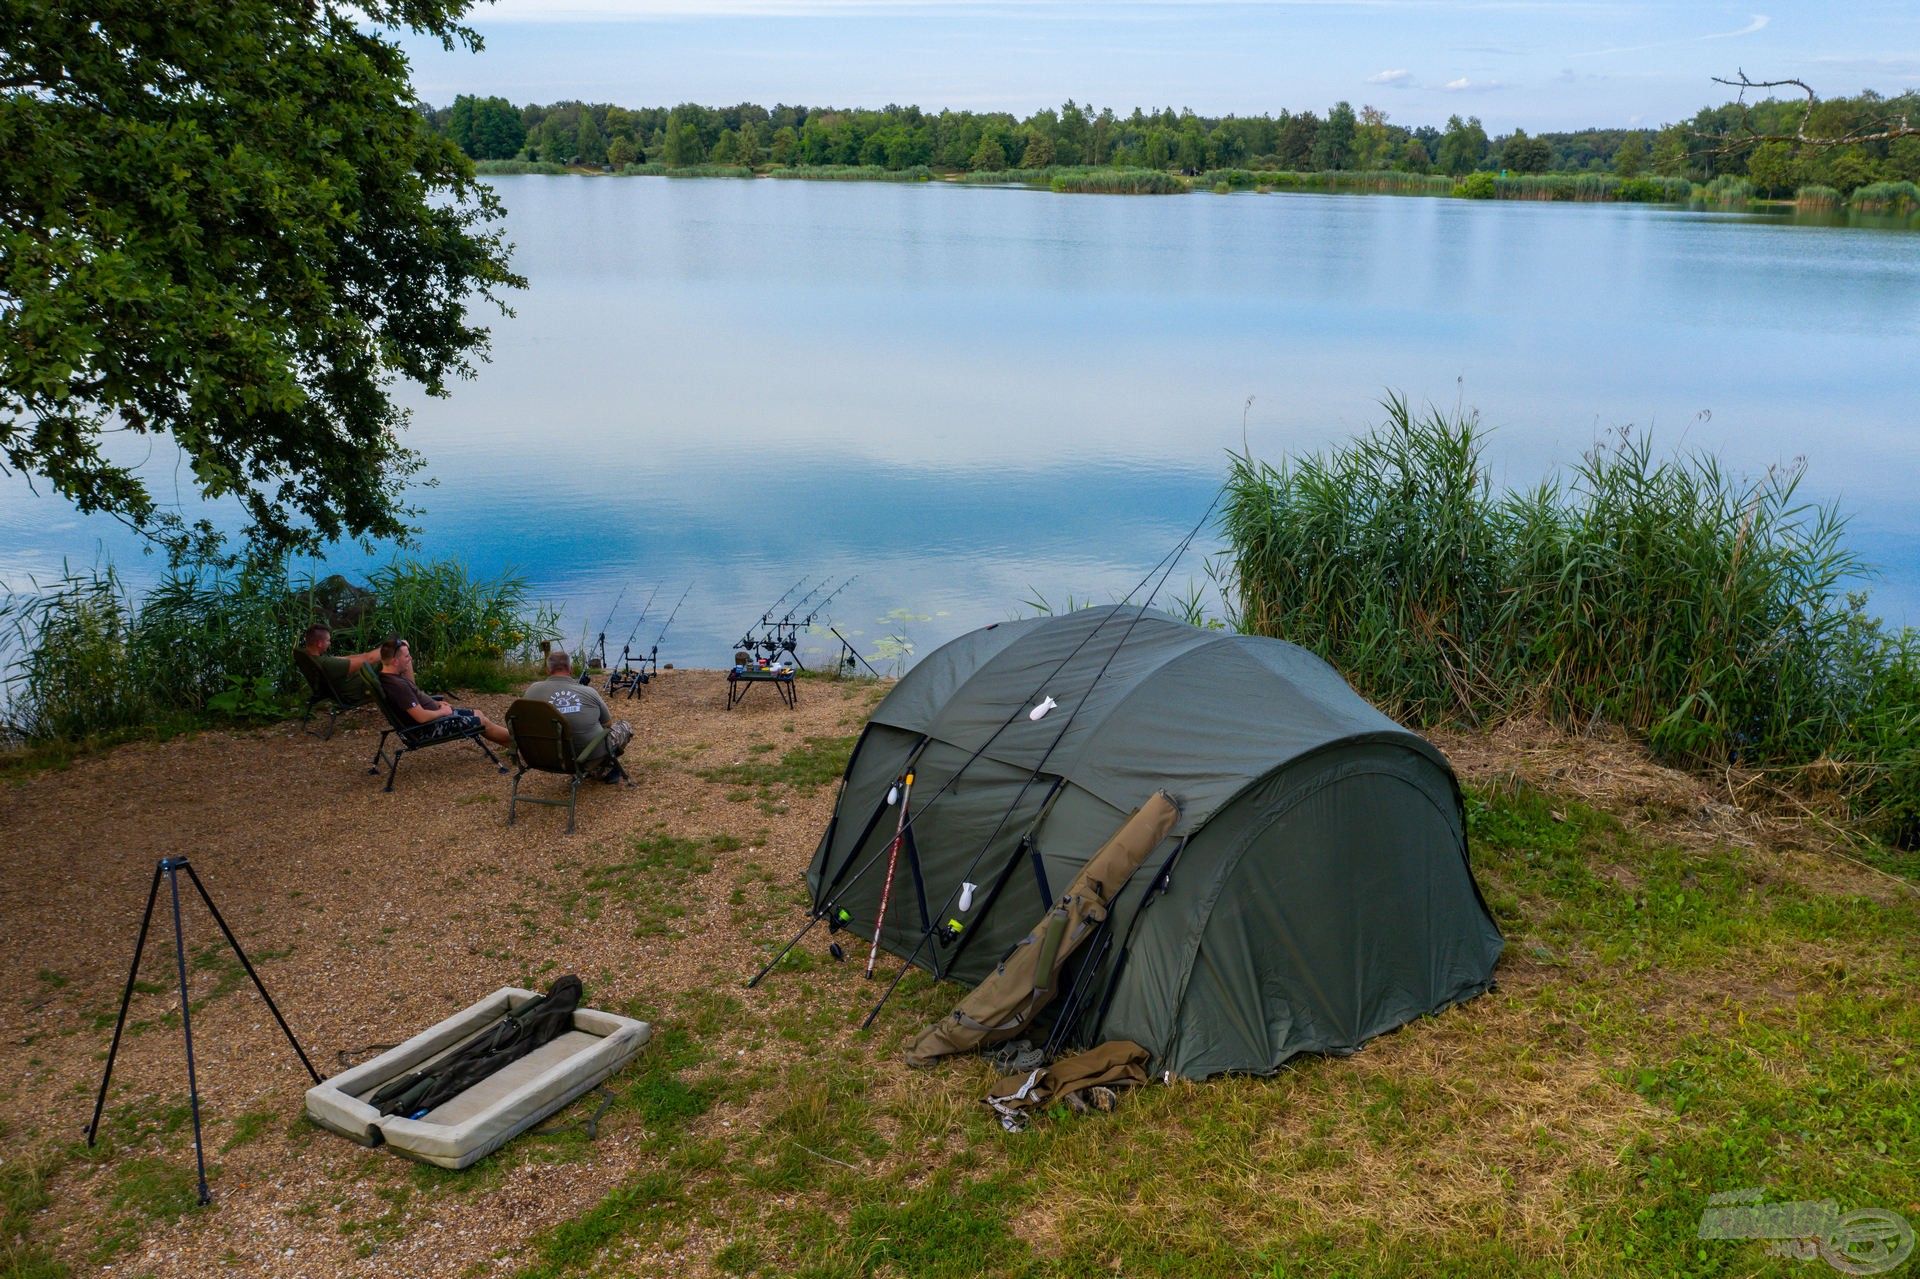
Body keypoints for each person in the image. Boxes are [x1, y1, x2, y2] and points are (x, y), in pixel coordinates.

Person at [377, 637, 511, 746]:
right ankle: (518, 741)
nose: (410, 659)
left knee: (478, 713)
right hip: (428, 728)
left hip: (434, 718)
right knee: (481, 721)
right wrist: (442, 712)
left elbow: (413, 690)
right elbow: (421, 717)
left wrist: (437, 704)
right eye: (407, 657)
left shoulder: (391, 677)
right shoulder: (398, 687)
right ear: (395, 661)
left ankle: (512, 746)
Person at [523, 649, 634, 781]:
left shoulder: (532, 690)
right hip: (584, 757)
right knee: (624, 726)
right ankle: (603, 765)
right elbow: (607, 724)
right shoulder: (588, 692)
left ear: (547, 670)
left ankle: (599, 767)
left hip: (544, 756)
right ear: (571, 669)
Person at [299, 622, 382, 693]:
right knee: (381, 664)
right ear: (319, 643)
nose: (329, 643)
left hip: (335, 688)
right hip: (353, 693)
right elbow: (370, 659)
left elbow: (347, 658)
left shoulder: (311, 657)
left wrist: (364, 655)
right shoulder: (328, 664)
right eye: (328, 640)